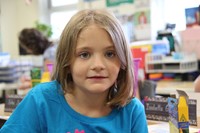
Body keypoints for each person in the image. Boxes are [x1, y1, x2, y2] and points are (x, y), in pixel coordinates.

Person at [0, 9, 148, 132]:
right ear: (67, 62)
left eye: (110, 54)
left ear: (123, 61)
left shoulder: (132, 112)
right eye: (84, 54)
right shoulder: (41, 100)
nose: (98, 65)